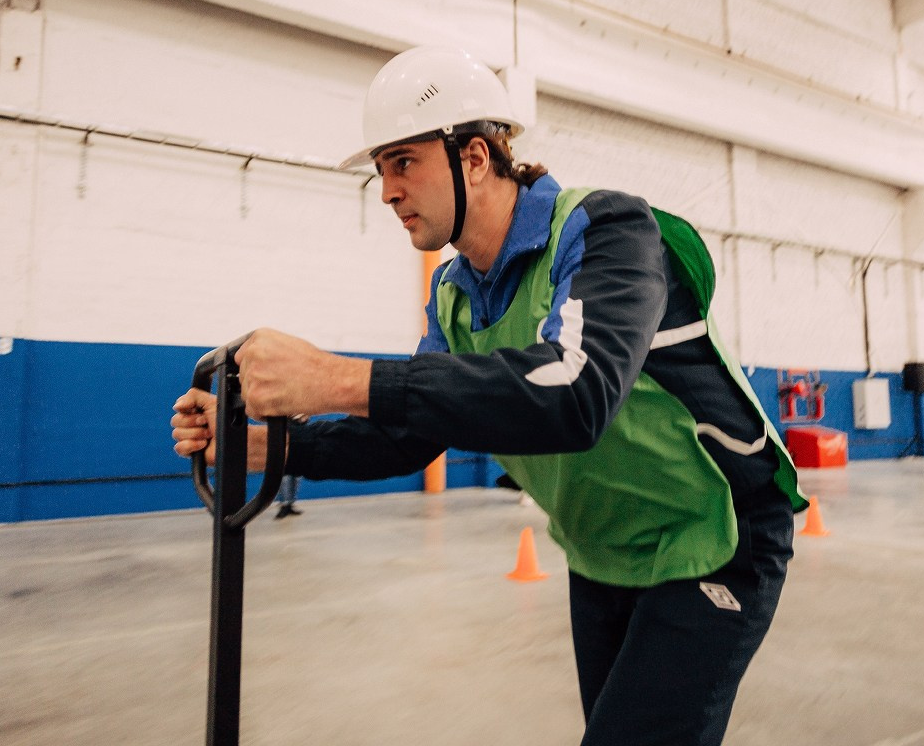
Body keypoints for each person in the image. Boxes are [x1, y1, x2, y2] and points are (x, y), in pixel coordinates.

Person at [171, 45, 808, 745]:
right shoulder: (454, 295)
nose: (386, 191)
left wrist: (339, 378)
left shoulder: (607, 231)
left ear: (474, 157)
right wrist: (269, 446)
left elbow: (579, 392)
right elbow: (406, 435)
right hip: (604, 545)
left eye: (403, 162)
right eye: (381, 170)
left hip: (714, 530)